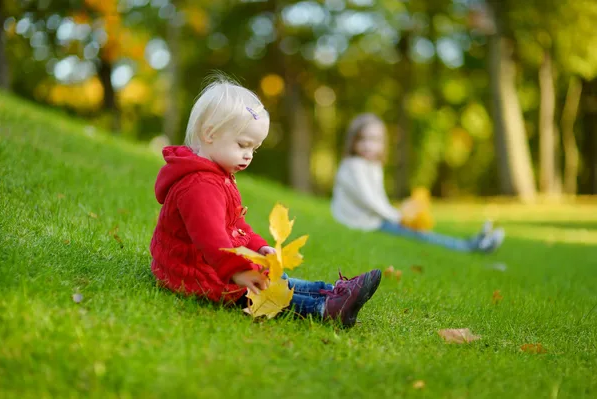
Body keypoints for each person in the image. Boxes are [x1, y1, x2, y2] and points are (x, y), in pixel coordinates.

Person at [149, 75, 381, 328]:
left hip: (216, 263)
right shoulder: (200, 186)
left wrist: (258, 247)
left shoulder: (218, 176)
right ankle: (325, 307)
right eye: (243, 145)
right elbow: (211, 238)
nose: (248, 155)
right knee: (257, 293)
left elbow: (236, 225)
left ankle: (333, 291)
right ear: (210, 134)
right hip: (193, 272)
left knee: (273, 278)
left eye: (254, 149)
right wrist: (238, 271)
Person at [331, 113, 505, 253]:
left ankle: (473, 243)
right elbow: (369, 200)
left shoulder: (373, 166)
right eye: (363, 139)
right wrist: (398, 217)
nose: (368, 145)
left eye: (375, 140)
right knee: (419, 235)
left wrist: (397, 214)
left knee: (420, 231)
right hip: (363, 222)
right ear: (353, 141)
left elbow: (379, 199)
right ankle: (470, 246)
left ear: (383, 143)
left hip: (374, 219)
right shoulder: (353, 166)